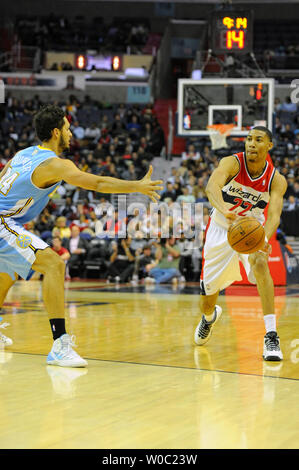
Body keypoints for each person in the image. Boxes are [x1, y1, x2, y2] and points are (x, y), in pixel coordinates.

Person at [0, 104, 163, 366]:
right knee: (54, 265)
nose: (71, 133)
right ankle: (59, 344)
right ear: (56, 132)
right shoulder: (55, 164)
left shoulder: (23, 154)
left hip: (7, 220)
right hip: (2, 222)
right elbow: (97, 183)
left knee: (7, 270)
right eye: (66, 128)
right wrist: (137, 186)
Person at [194, 126, 287, 361]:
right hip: (220, 228)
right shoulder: (232, 163)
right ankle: (209, 317)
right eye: (248, 139)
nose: (251, 143)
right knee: (207, 299)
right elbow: (211, 187)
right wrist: (224, 210)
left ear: (269, 146)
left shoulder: (277, 180)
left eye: (258, 140)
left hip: (251, 229)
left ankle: (271, 336)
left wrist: (264, 239)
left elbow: (274, 215)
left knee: (260, 262)